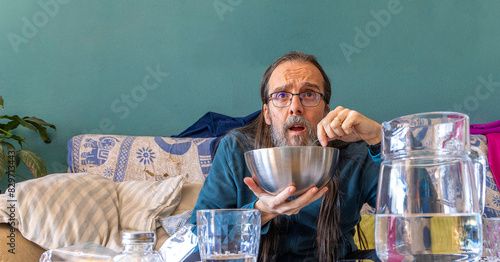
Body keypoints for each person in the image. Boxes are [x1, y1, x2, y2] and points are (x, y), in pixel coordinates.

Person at [189, 51, 382, 262]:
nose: (295, 107)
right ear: (266, 113)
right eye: (281, 96)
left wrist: (381, 139)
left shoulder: (355, 152)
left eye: (309, 94)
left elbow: (417, 211)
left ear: (326, 109)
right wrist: (262, 211)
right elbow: (197, 238)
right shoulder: (235, 149)